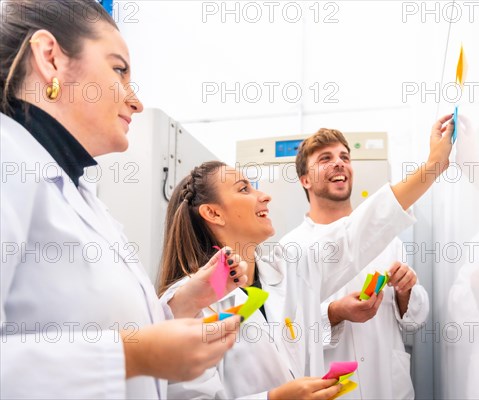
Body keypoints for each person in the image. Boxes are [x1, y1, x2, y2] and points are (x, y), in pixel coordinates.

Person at [0, 1, 247, 398]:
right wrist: (136, 356)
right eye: (119, 70)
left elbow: (90, 327)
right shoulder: (7, 160)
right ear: (49, 58)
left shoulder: (81, 194)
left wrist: (182, 304)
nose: (135, 101)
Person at [157, 116, 454, 398]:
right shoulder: (187, 305)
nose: (264, 196)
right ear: (213, 212)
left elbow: (360, 230)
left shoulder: (287, 267)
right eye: (244, 189)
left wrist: (432, 167)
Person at [280, 128, 429, 399]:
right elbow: (288, 331)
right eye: (325, 158)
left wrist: (405, 291)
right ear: (305, 180)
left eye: (344, 157)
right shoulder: (290, 248)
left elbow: (415, 322)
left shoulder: (388, 239)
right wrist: (335, 312)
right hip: (334, 390)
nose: (339, 163)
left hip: (386, 385)